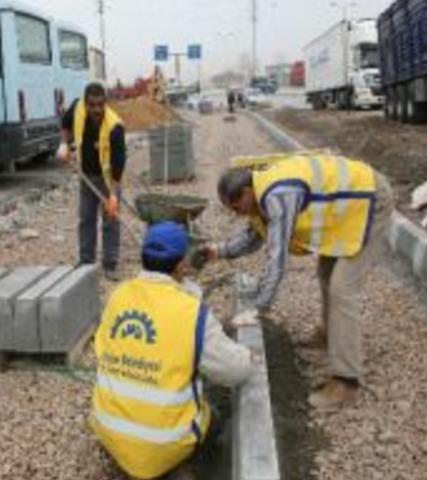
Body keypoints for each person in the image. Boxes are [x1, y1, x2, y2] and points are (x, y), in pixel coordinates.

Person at [203, 155, 395, 410]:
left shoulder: (277, 195)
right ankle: (330, 335)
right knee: (326, 271)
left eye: (237, 208)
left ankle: (347, 382)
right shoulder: (259, 194)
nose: (239, 215)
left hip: (368, 203)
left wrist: (258, 308)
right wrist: (220, 251)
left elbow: (277, 257)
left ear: (247, 192)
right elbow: (255, 235)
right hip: (344, 210)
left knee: (342, 289)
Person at [91, 221, 257, 480]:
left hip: (107, 429)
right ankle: (186, 467)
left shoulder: (118, 295)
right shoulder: (190, 311)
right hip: (164, 444)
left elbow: (102, 348)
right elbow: (234, 371)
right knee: (213, 416)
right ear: (181, 266)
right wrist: (248, 357)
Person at [59, 83, 127, 280]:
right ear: (86, 103)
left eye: (100, 105)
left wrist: (113, 195)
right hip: (86, 176)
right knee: (86, 218)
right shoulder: (77, 109)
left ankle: (110, 264)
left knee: (110, 221)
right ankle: (86, 260)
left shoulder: (115, 127)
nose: (96, 109)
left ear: (105, 103)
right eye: (92, 105)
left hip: (108, 181)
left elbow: (118, 165)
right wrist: (64, 144)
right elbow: (65, 124)